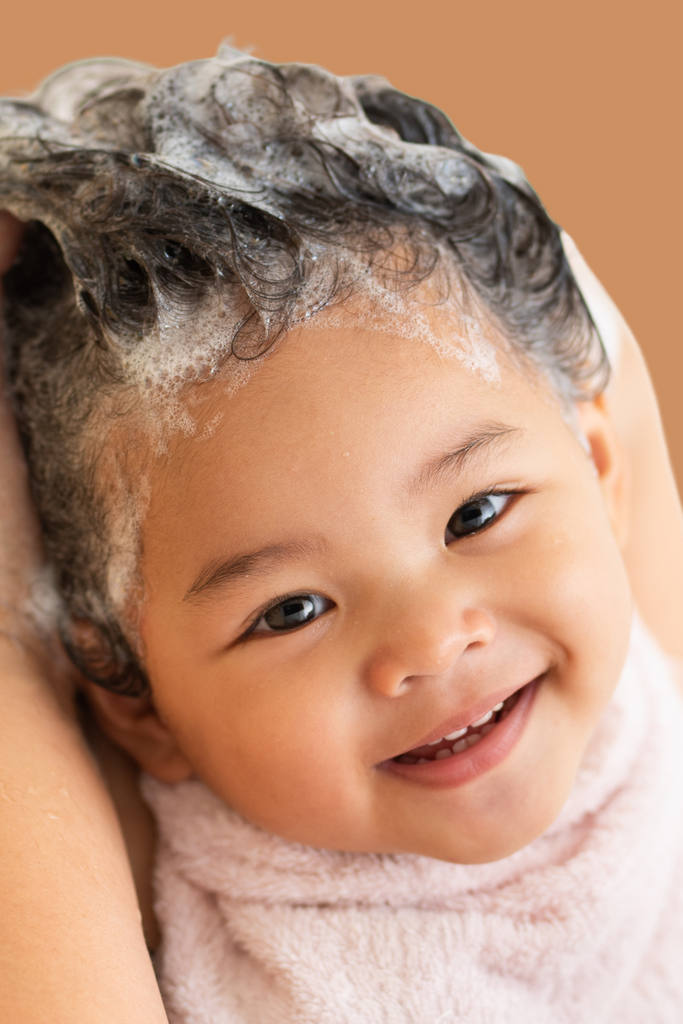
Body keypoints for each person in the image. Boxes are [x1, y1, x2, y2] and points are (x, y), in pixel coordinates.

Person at [1, 46, 682, 1022]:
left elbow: (591, 331)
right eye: (291, 609)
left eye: (475, 514)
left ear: (598, 470)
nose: (430, 641)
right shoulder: (166, 919)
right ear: (143, 709)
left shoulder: (641, 694)